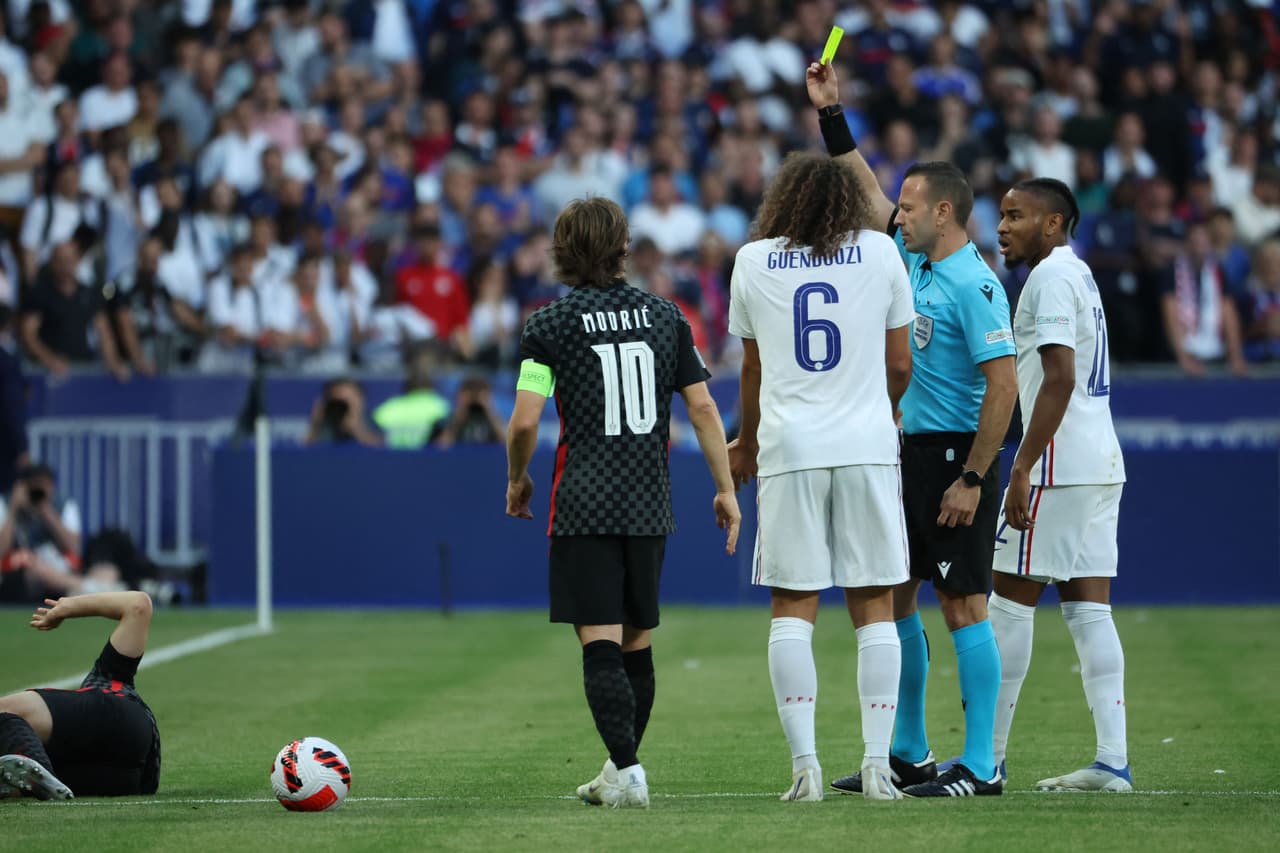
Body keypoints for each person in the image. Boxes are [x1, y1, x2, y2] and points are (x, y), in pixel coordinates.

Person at [807, 60, 1019, 798]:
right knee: (898, 591)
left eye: (910, 207)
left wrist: (973, 476)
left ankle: (985, 764)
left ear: (946, 215)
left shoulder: (975, 283)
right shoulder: (916, 262)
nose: (896, 215)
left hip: (960, 455)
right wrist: (832, 116)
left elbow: (1005, 384)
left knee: (964, 603)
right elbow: (867, 196)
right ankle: (910, 749)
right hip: (910, 450)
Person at [504, 197, 740, 809]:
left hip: (583, 501)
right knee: (636, 641)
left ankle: (630, 772)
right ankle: (618, 767)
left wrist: (517, 476)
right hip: (648, 502)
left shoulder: (548, 325)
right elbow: (706, 407)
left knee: (600, 641)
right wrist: (725, 488)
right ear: (622, 248)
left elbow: (525, 420)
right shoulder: (667, 317)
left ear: (562, 251)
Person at [725, 151, 914, 803]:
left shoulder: (752, 260)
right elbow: (898, 364)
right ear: (847, 201)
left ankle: (805, 767)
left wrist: (746, 442)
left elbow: (750, 370)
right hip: (865, 442)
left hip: (788, 446)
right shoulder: (881, 252)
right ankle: (876, 764)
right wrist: (878, 413)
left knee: (792, 607)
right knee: (875, 607)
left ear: (782, 200)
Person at [989, 178, 1132, 793]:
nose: (1002, 226)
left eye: (1015, 215)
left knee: (1004, 604)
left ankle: (984, 757)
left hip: (1055, 465)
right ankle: (1112, 761)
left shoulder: (1048, 278)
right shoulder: (1080, 275)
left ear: (1053, 223)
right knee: (1089, 610)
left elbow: (1059, 378)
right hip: (1099, 460)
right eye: (1000, 215)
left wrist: (1020, 467)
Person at [0, 590, 160, 800]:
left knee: (8, 714)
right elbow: (138, 606)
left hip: (121, 725)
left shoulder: (108, 676)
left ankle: (36, 771)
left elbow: (139, 604)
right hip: (133, 781)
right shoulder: (109, 679)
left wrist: (66, 606)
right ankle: (36, 777)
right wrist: (68, 607)